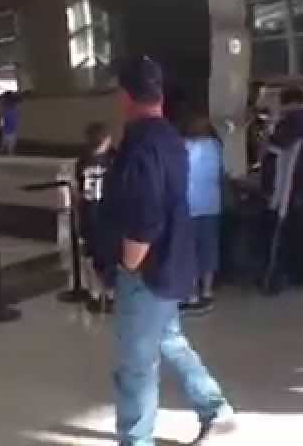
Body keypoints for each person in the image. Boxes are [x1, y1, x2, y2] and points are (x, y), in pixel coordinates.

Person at [93, 56, 234, 445]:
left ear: (125, 95)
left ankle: (136, 441)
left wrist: (126, 264)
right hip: (172, 265)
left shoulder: (141, 145)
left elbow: (144, 217)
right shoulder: (170, 138)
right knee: (169, 338)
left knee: (136, 367)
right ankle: (214, 406)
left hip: (146, 274)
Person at [262, 86, 303, 292]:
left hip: (290, 185)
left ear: (292, 103)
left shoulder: (296, 120)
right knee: (300, 230)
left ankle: (284, 276)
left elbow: (275, 145)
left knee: (287, 231)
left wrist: (271, 125)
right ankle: (301, 274)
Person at [181, 112, 223, 316]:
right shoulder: (215, 147)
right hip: (211, 204)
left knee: (188, 251)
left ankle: (191, 294)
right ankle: (207, 290)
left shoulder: (183, 147)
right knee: (208, 248)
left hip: (188, 206)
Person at [74, 121, 115, 309]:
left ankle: (94, 293)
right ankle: (110, 292)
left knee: (89, 256)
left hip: (88, 213)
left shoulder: (82, 161)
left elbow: (79, 190)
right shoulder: (112, 161)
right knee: (108, 256)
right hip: (107, 215)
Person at [245, 81, 271, 173]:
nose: (259, 95)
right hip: (247, 140)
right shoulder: (245, 105)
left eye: (262, 93)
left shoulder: (264, 109)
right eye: (257, 92)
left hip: (257, 141)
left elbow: (267, 121)